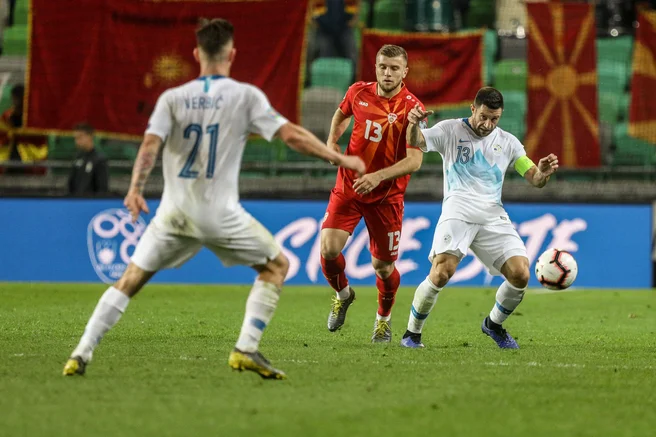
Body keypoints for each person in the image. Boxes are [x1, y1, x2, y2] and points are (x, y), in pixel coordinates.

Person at [63, 18, 365, 380]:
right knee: (276, 267)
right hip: (219, 213)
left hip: (173, 213)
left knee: (129, 279)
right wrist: (340, 157)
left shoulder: (171, 99)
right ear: (231, 54)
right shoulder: (244, 96)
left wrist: (134, 189)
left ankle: (81, 352)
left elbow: (149, 147)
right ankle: (246, 348)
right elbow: (290, 135)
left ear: (196, 54)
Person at [400, 87, 559, 349]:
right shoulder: (449, 130)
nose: (487, 124)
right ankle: (412, 334)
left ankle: (493, 325)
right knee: (441, 273)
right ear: (472, 109)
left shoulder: (508, 142)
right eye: (483, 116)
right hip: (458, 210)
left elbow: (535, 179)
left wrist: (542, 173)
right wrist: (413, 123)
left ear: (501, 115)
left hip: (492, 215)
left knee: (520, 274)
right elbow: (417, 141)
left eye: (494, 119)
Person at [320, 44, 427, 343]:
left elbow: (415, 161)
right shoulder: (358, 92)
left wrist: (377, 177)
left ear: (405, 72)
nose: (387, 73)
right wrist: (331, 143)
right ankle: (343, 294)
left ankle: (383, 320)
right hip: (349, 187)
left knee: (383, 267)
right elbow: (341, 115)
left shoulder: (413, 110)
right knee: (328, 250)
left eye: (394, 68)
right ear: (376, 67)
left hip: (386, 197)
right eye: (383, 66)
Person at [68, 123, 109, 195]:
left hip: (91, 203)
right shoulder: (78, 157)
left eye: (80, 137)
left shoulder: (99, 159)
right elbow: (71, 183)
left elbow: (102, 188)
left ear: (90, 136)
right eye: (75, 138)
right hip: (75, 202)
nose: (77, 141)